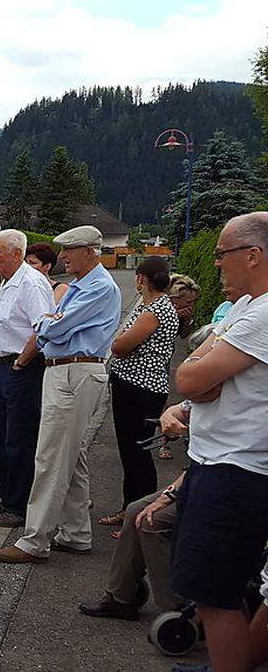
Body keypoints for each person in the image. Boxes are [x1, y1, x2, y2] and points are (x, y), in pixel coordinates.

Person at [158, 213, 268, 672]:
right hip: (218, 465)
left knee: (214, 597)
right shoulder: (246, 306)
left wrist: (197, 384)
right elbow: (197, 383)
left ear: (253, 255)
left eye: (222, 255)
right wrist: (196, 389)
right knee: (215, 592)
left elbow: (188, 375)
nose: (217, 264)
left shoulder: (262, 313)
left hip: (236, 473)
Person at [0, 225, 121, 564]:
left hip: (75, 370)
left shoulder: (97, 288)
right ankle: (76, 533)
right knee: (72, 455)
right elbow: (49, 327)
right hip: (66, 368)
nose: (62, 257)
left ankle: (34, 541)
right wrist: (51, 325)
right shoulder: (81, 287)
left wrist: (52, 324)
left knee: (51, 457)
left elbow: (52, 327)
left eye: (70, 250)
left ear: (91, 252)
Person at [99, 256, 177, 528]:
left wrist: (118, 340)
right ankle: (128, 509)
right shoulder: (153, 306)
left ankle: (139, 518)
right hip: (133, 384)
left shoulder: (155, 310)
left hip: (140, 388)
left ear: (142, 278)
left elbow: (121, 346)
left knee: (137, 454)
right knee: (130, 452)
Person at [0, 229, 54, 527]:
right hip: (5, 368)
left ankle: (19, 506)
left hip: (22, 369)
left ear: (15, 253)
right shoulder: (8, 280)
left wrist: (21, 362)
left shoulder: (31, 283)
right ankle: (8, 498)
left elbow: (43, 328)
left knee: (19, 437)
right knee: (2, 434)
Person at [78, 471, 186, 621]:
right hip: (197, 475)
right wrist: (170, 492)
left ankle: (178, 606)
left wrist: (168, 496)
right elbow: (196, 461)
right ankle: (120, 596)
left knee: (152, 521)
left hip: (217, 482)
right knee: (135, 510)